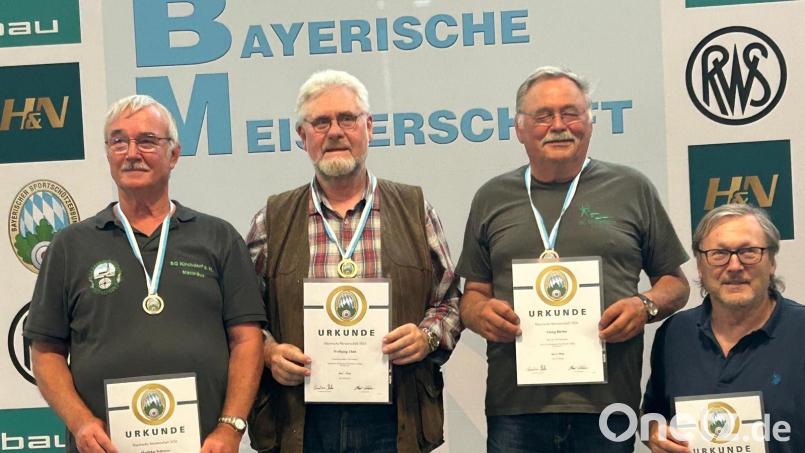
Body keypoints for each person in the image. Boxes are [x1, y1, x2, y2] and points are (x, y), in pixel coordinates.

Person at [456, 66, 690, 452]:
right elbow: (472, 294)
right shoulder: (491, 197)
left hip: (608, 405)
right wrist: (479, 313)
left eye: (571, 113)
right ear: (519, 128)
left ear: (590, 122)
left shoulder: (632, 188)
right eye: (543, 116)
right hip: (516, 408)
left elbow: (676, 284)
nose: (558, 125)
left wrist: (644, 305)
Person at [24, 95, 266, 453]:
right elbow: (45, 351)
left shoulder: (218, 238)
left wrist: (230, 427)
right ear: (108, 154)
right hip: (105, 447)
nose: (132, 152)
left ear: (174, 154)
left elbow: (248, 341)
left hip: (203, 447)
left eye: (147, 141)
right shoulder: (69, 246)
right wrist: (80, 422)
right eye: (119, 141)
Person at [245, 69, 462, 453]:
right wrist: (268, 352)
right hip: (301, 420)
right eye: (320, 122)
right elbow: (244, 318)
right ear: (302, 137)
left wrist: (426, 336)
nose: (335, 132)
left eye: (347, 119)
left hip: (396, 418)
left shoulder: (415, 210)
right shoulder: (272, 219)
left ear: (369, 127)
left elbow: (451, 301)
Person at [643, 203, 804, 453]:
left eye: (749, 252)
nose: (734, 266)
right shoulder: (674, 334)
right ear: (699, 265)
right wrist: (654, 432)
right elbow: (651, 415)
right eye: (718, 253)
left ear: (771, 262)